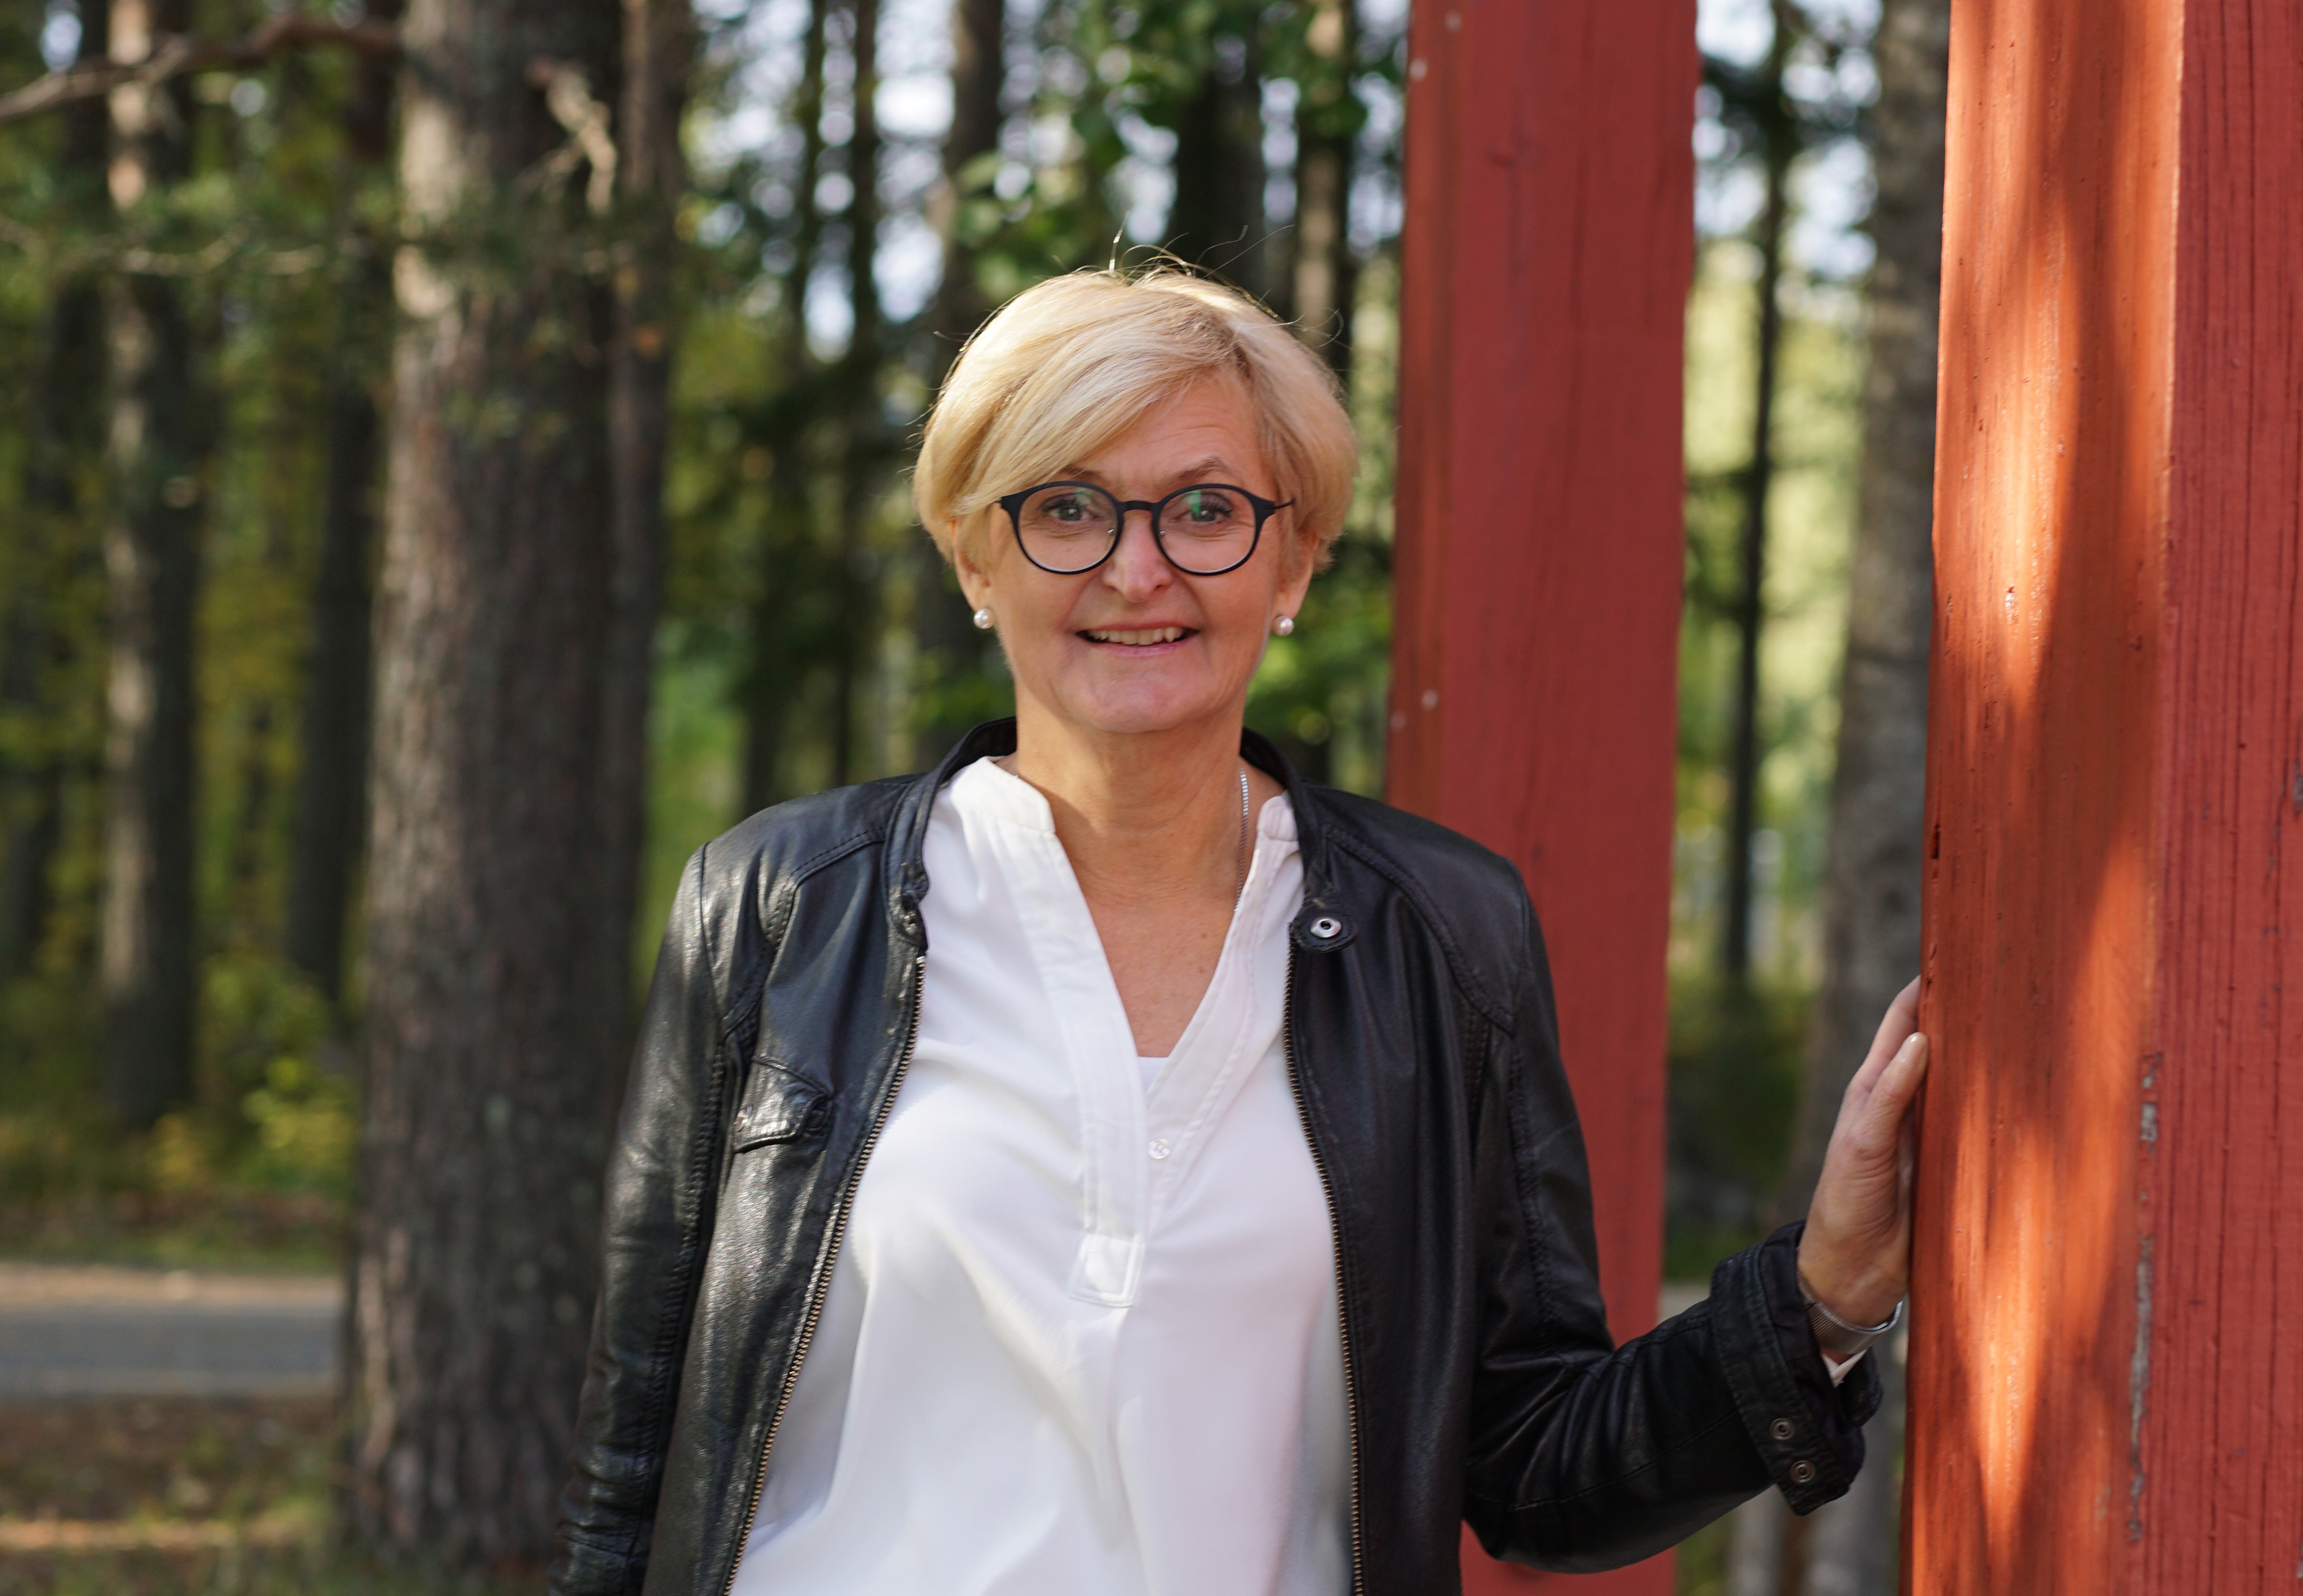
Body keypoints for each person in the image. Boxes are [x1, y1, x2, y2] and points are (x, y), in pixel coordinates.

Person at [547, 269, 1927, 1596]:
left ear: (1294, 561)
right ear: (973, 556)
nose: (1136, 569)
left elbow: (1535, 1469)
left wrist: (1817, 1296)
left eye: (1205, 510)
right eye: (1067, 507)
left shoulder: (1441, 935)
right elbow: (634, 1464)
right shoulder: (782, 908)